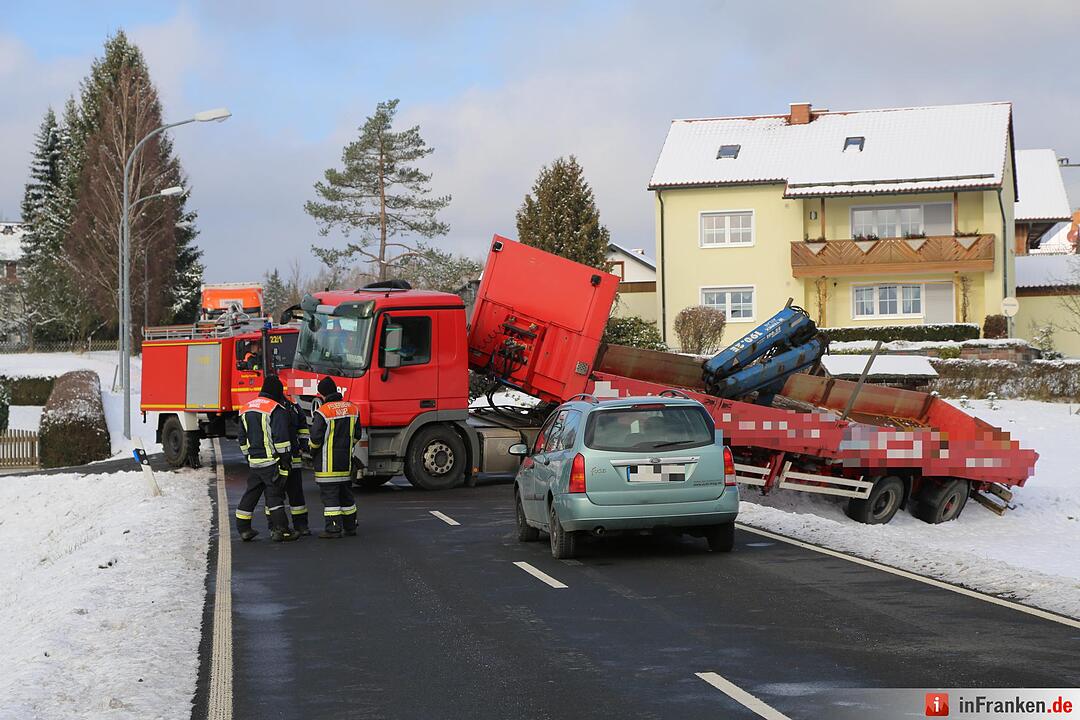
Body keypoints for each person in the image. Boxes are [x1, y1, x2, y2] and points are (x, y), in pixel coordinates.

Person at [236, 374, 300, 543]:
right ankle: (283, 531)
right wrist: (286, 458)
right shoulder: (275, 409)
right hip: (271, 462)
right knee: (274, 496)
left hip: (254, 462)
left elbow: (242, 438)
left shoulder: (246, 408)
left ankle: (243, 529)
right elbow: (281, 438)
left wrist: (248, 456)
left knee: (250, 495)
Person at [308, 376, 361, 539]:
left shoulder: (323, 412)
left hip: (327, 464)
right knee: (346, 497)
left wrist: (312, 451)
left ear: (322, 394)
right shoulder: (352, 409)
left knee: (330, 498)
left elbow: (315, 438)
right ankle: (350, 526)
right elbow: (357, 435)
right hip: (345, 463)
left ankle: (333, 529)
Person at [282, 389, 311, 535]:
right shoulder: (273, 408)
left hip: (293, 459)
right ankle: (280, 527)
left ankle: (300, 526)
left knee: (296, 494)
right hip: (278, 461)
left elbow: (303, 429)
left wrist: (303, 446)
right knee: (277, 496)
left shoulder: (293, 407)